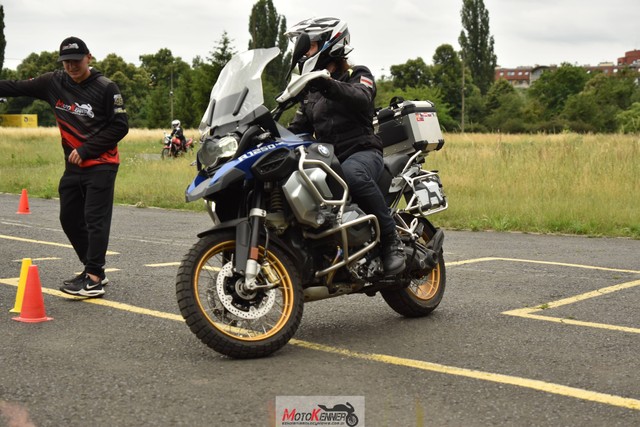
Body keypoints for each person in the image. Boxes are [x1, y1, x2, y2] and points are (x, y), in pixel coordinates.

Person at [0, 36, 129, 298]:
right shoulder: (53, 82)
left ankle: (93, 279)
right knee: (69, 218)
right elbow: (15, 87)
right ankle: (94, 270)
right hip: (73, 169)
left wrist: (86, 149)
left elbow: (120, 125)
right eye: (66, 61)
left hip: (102, 165)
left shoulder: (107, 87)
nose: (71, 66)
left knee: (95, 220)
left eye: (76, 61)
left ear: (88, 58)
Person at [285, 17, 405, 275]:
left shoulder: (358, 75)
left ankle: (391, 240)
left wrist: (327, 84)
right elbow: (297, 130)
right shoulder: (311, 93)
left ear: (330, 44)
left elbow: (361, 98)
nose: (304, 52)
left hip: (363, 152)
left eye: (309, 46)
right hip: (329, 159)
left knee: (353, 175)